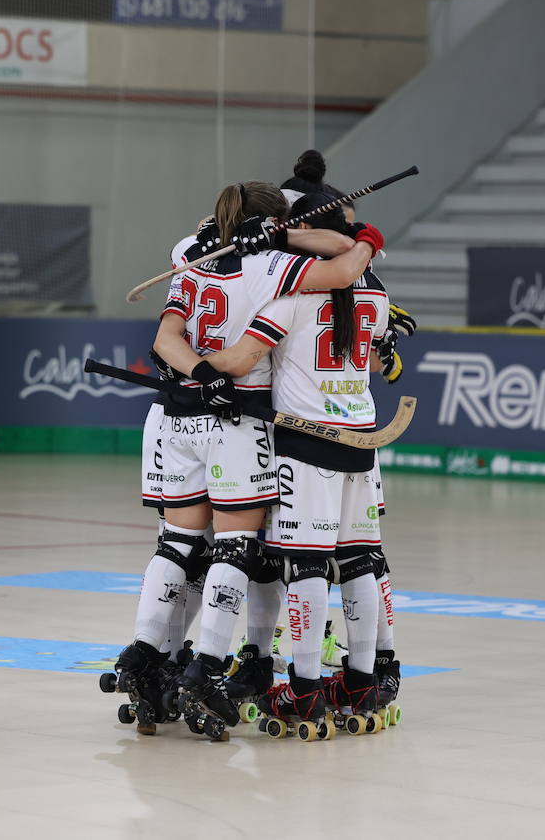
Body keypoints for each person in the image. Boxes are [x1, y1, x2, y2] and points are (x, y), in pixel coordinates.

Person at [121, 182, 379, 734]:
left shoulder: (189, 255)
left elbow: (168, 337)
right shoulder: (273, 267)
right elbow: (342, 267)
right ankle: (208, 669)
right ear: (272, 223)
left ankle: (147, 658)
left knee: (180, 546)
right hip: (241, 421)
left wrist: (199, 373)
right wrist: (361, 237)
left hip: (175, 414)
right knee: (241, 551)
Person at [202, 194, 394, 739]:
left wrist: (189, 370)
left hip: (305, 445)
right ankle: (360, 681)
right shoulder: (377, 292)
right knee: (358, 560)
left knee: (306, 566)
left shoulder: (291, 298)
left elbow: (239, 360)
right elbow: (376, 352)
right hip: (360, 438)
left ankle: (305, 689)